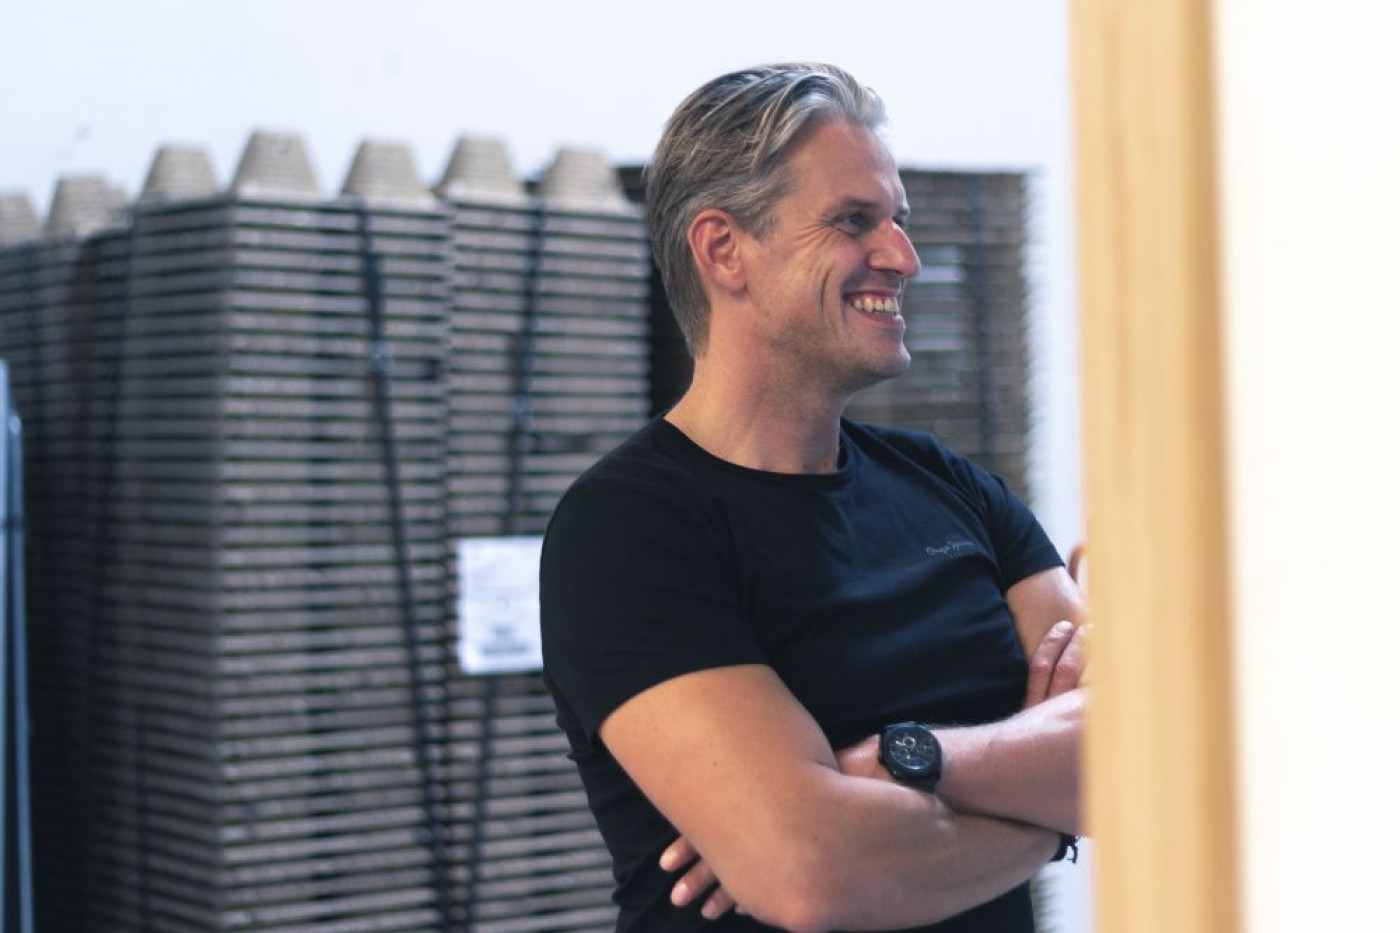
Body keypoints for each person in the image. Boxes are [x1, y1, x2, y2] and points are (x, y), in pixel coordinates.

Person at [540, 63, 1088, 933]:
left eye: (899, 220)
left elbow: (1140, 748)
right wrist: (1050, 805)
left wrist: (906, 761)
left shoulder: (952, 488)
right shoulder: (627, 530)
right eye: (853, 221)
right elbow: (812, 872)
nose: (904, 257)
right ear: (724, 250)